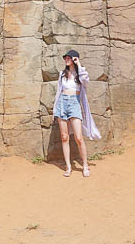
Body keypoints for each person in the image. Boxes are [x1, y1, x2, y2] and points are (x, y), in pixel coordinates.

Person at [52, 49, 101, 177]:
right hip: (62, 103)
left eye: (69, 57)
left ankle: (85, 166)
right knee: (64, 137)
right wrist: (55, 109)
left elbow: (86, 80)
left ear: (74, 59)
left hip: (74, 104)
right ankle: (68, 167)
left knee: (78, 138)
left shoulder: (80, 75)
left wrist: (78, 64)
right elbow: (59, 91)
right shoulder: (62, 74)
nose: (66, 59)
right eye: (65, 58)